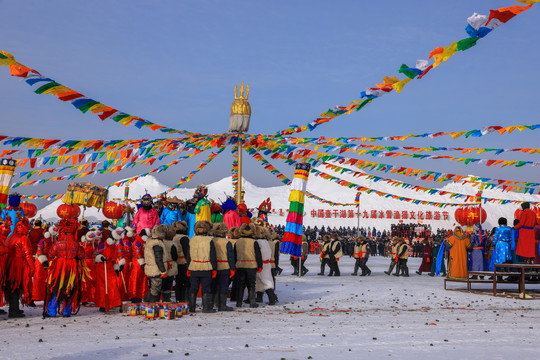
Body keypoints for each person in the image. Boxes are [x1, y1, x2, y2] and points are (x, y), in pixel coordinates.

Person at [44, 218, 87, 317]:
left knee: (57, 288)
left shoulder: (58, 244)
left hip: (60, 267)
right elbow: (81, 256)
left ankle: (52, 311)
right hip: (72, 268)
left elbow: (50, 254)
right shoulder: (77, 245)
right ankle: (67, 311)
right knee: (70, 288)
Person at [5, 219, 34, 318]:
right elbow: (28, 254)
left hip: (10, 264)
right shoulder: (24, 238)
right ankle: (13, 311)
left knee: (13, 286)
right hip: (19, 265)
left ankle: (14, 308)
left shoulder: (10, 237)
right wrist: (32, 267)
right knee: (16, 287)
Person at [187, 221, 217, 313]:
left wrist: (188, 267)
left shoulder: (191, 240)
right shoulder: (210, 240)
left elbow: (188, 255)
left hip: (194, 266)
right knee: (206, 288)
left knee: (193, 288)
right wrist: (214, 268)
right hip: (206, 267)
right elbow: (213, 256)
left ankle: (191, 307)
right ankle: (206, 307)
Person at [234, 223, 262, 308]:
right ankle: (252, 302)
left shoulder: (237, 242)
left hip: (240, 265)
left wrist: (234, 265)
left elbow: (235, 254)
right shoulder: (254, 242)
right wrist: (260, 266)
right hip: (251, 265)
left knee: (240, 285)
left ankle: (239, 302)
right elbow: (258, 255)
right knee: (251, 285)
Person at [94, 228, 123, 312]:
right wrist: (101, 258)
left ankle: (113, 303)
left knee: (113, 285)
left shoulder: (114, 247)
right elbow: (96, 254)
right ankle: (103, 305)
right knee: (103, 286)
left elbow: (114, 258)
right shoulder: (103, 245)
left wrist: (116, 268)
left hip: (110, 267)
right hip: (102, 267)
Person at [210, 222, 234, 311]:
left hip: (213, 266)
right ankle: (222, 305)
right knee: (223, 286)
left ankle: (214, 303)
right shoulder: (227, 242)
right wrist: (232, 268)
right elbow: (230, 257)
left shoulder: (211, 241)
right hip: (224, 266)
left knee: (214, 285)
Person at [143, 225, 170, 304]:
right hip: (156, 269)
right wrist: (163, 271)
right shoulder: (157, 244)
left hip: (150, 268)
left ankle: (146, 303)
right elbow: (159, 259)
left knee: (153, 288)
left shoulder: (150, 241)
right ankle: (152, 305)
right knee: (155, 289)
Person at [128, 229, 149, 303]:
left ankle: (141, 295)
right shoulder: (138, 242)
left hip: (141, 262)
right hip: (138, 263)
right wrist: (142, 262)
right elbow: (138, 253)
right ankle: (135, 296)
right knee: (136, 279)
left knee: (142, 279)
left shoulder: (141, 242)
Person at [171, 221, 190, 303]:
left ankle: (178, 299)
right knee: (186, 283)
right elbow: (187, 252)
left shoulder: (173, 238)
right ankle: (185, 300)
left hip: (176, 263)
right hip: (184, 263)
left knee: (178, 282)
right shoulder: (184, 238)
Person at [160, 225, 178, 302]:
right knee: (168, 284)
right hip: (170, 266)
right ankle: (166, 299)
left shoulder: (160, 242)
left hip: (161, 265)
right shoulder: (172, 244)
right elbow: (175, 257)